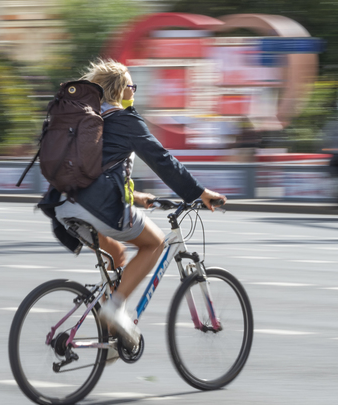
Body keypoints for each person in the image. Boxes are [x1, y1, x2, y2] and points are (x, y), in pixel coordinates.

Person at [46, 58, 226, 349]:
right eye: (132, 85)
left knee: (117, 256)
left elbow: (100, 167)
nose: (135, 90)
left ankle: (109, 336)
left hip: (63, 206)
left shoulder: (84, 119)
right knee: (155, 242)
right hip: (95, 207)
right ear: (121, 90)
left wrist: (135, 196)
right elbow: (162, 160)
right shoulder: (124, 120)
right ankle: (115, 309)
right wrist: (198, 192)